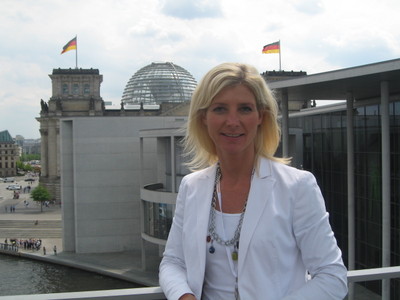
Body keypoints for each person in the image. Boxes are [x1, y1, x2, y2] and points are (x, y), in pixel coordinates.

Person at [159, 62, 348, 300]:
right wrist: (185, 296)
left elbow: (332, 277)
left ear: (261, 116)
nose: (232, 121)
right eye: (219, 109)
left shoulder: (297, 186)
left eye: (245, 109)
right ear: (203, 118)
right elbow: (173, 262)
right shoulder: (191, 186)